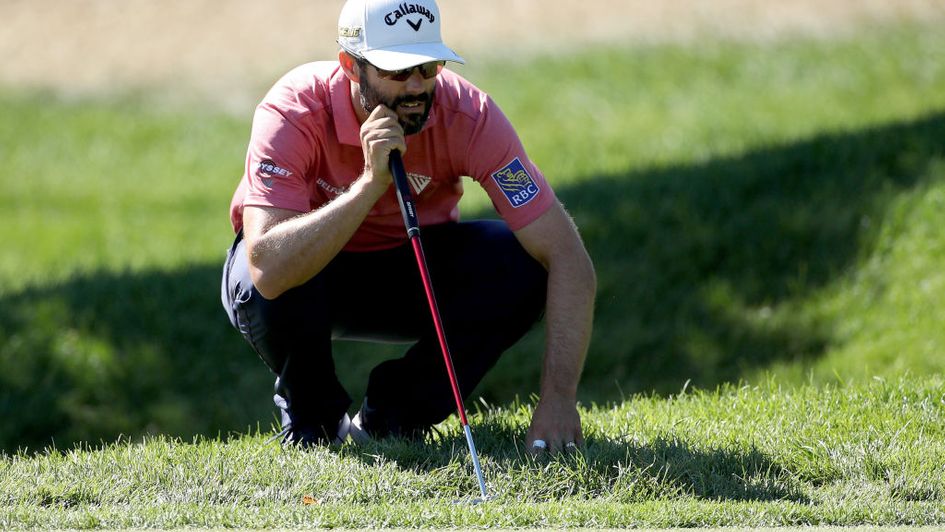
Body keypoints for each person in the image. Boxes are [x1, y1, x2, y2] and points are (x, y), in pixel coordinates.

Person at [220, 0, 596, 452]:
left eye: (428, 66)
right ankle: (315, 425)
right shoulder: (294, 109)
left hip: (408, 270)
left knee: (519, 266)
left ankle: (392, 419)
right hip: (308, 279)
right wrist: (368, 185)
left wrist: (558, 400)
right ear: (351, 66)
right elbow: (268, 268)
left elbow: (569, 259)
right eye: (397, 72)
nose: (417, 86)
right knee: (265, 277)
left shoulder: (469, 115)